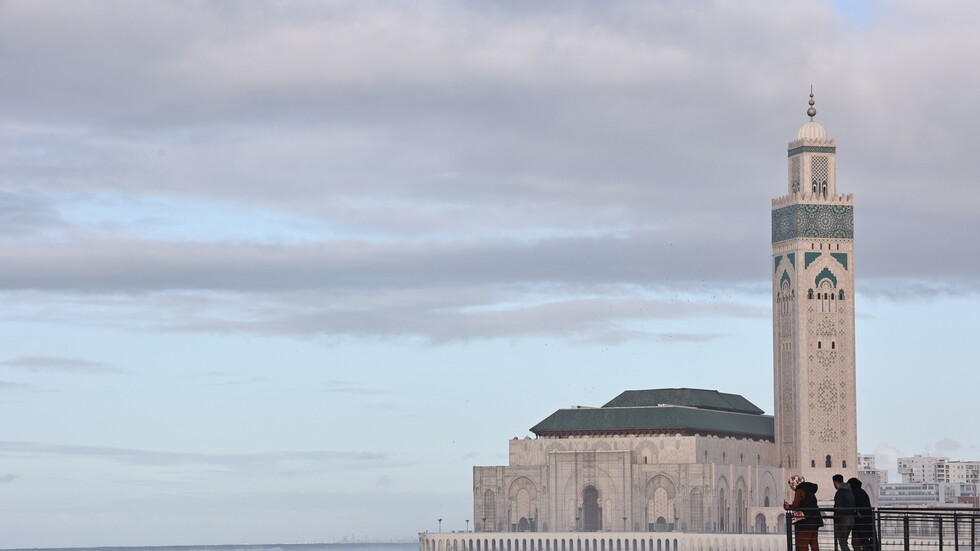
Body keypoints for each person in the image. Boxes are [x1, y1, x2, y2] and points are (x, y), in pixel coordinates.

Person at [784, 476, 823, 551]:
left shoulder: (799, 490)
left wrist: (789, 506)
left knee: (802, 542)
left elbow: (796, 505)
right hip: (816, 519)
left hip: (807, 521)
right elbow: (806, 503)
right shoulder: (809, 489)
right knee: (813, 542)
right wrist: (791, 506)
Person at [848, 478, 875, 551]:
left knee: (855, 543)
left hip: (859, 523)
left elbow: (853, 506)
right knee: (864, 544)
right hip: (866, 522)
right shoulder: (863, 492)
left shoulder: (855, 493)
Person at [833, 474, 856, 551]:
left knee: (843, 543)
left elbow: (838, 507)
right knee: (844, 542)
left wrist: (836, 518)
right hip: (851, 518)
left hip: (843, 519)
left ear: (835, 482)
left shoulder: (840, 492)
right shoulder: (849, 491)